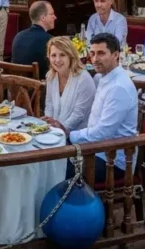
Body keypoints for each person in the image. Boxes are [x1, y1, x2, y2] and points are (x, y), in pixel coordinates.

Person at [48, 33, 137, 181]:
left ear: (116, 55)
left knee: (54, 167)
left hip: (112, 161)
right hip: (95, 148)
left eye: (101, 53)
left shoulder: (118, 87)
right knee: (49, 159)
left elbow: (104, 132)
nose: (95, 59)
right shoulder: (103, 78)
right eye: (93, 53)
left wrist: (70, 135)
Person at [42, 36, 96, 132]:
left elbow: (79, 115)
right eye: (53, 55)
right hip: (54, 132)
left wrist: (60, 128)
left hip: (78, 137)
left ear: (71, 56)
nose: (57, 60)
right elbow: (49, 105)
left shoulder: (83, 78)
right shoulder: (50, 76)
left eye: (62, 55)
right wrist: (48, 126)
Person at [11, 0, 55, 76]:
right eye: (51, 14)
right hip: (38, 85)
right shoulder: (50, 40)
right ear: (43, 18)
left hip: (17, 84)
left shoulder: (18, 36)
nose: (55, 17)